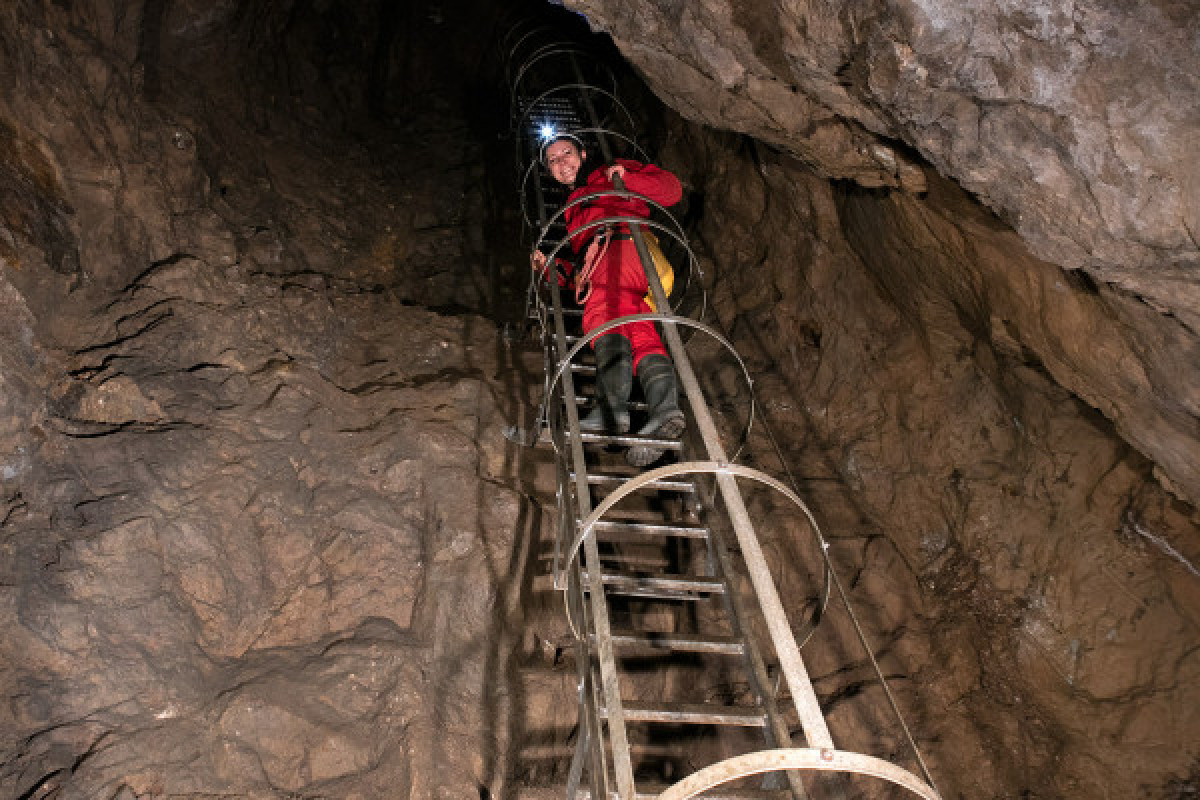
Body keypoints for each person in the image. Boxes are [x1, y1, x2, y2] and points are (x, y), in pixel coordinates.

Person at [531, 133, 685, 467]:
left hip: (625, 246)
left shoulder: (607, 174)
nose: (561, 163)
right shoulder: (574, 208)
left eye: (566, 153)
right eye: (553, 160)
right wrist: (552, 268)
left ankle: (611, 411)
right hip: (638, 267)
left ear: (583, 154)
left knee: (602, 313)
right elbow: (583, 274)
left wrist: (627, 178)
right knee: (641, 334)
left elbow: (671, 190)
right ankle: (664, 411)